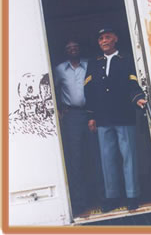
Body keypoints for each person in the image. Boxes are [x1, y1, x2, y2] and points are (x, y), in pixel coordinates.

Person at [84, 28, 147, 212]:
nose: (104, 40)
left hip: (124, 115)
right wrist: (91, 115)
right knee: (107, 159)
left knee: (129, 157)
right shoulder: (94, 64)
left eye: (108, 37)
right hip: (103, 118)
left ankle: (132, 196)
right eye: (101, 38)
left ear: (115, 39)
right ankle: (112, 198)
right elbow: (89, 92)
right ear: (98, 42)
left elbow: (133, 83)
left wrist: (138, 98)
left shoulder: (126, 59)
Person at [54, 39, 89, 217]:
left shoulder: (88, 65)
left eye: (76, 46)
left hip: (92, 114)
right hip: (72, 117)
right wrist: (59, 110)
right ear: (65, 51)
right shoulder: (60, 69)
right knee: (76, 159)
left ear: (80, 49)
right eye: (69, 48)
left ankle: (102, 197)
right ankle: (80, 202)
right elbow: (52, 88)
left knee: (95, 156)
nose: (73, 49)